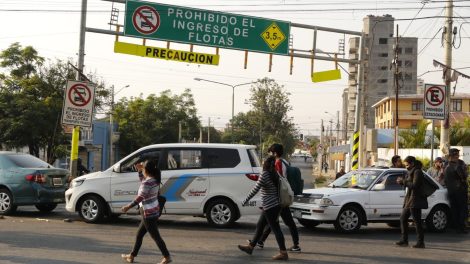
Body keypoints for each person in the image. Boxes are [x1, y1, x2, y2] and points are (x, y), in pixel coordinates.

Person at [251, 144, 301, 253]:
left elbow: (277, 181)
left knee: (279, 223)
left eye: (270, 152)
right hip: (281, 197)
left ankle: (294, 246)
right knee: (272, 221)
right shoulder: (285, 162)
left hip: (279, 199)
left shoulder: (277, 163)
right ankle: (259, 241)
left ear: (274, 153)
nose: (269, 154)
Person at [121, 160, 172, 264]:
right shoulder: (154, 180)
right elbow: (143, 181)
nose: (141, 168)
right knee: (139, 235)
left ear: (147, 170)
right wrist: (140, 171)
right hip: (153, 210)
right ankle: (131, 256)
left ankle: (167, 257)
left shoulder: (148, 182)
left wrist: (128, 206)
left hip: (148, 213)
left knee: (155, 236)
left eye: (143, 167)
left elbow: (141, 196)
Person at [238, 156, 288, 261]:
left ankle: (283, 252)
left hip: (270, 207)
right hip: (273, 205)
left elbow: (255, 189)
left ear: (265, 163)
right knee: (260, 226)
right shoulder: (275, 173)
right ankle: (250, 247)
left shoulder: (265, 174)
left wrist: (245, 200)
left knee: (276, 229)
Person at [396, 156, 427, 248]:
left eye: (407, 164)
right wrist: (401, 182)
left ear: (412, 163)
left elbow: (415, 185)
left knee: (417, 221)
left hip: (415, 199)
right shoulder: (410, 171)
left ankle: (421, 242)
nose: (406, 166)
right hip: (410, 199)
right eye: (405, 165)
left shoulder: (417, 171)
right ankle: (404, 240)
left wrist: (403, 182)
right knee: (403, 218)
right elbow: (408, 184)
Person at [444, 148, 469, 234]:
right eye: (456, 155)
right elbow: (464, 176)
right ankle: (461, 226)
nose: (457, 156)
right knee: (462, 208)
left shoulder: (445, 164)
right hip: (460, 190)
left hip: (450, 190)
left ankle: (456, 226)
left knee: (454, 208)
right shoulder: (460, 164)